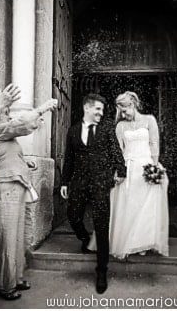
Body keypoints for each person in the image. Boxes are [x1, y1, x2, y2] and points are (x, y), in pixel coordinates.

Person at [0, 84, 58, 300]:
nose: (10, 116)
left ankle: (15, 279)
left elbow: (6, 155)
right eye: (6, 112)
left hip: (15, 186)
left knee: (17, 237)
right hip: (6, 189)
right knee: (7, 239)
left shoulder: (5, 137)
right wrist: (42, 109)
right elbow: (22, 124)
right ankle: (5, 286)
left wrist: (25, 162)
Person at [60, 94, 127, 294]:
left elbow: (116, 151)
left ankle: (101, 271)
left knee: (101, 225)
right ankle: (84, 238)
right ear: (87, 108)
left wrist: (121, 171)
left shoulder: (106, 129)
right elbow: (69, 159)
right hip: (79, 183)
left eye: (102, 110)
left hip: (101, 183)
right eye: (98, 109)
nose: (101, 113)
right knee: (73, 216)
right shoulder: (72, 131)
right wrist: (65, 182)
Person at [95, 91, 169, 259]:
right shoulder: (120, 126)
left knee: (146, 206)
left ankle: (142, 242)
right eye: (120, 111)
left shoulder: (149, 120)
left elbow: (154, 143)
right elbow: (119, 150)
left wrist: (155, 166)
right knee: (128, 205)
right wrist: (118, 169)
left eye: (125, 110)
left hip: (146, 167)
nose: (123, 114)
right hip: (128, 167)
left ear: (133, 105)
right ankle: (127, 243)